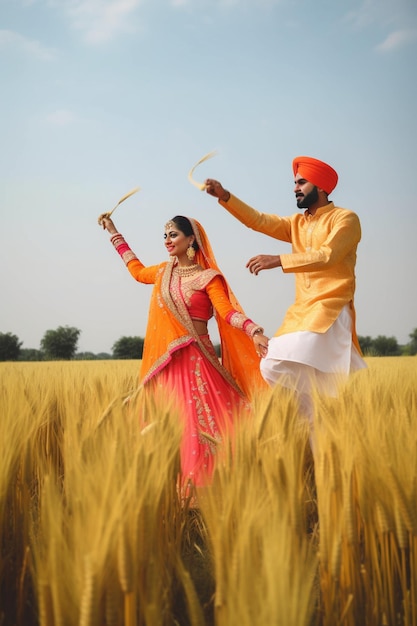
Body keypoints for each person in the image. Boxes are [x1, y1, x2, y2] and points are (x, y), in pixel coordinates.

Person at [98, 212, 268, 494]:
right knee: (175, 427)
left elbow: (226, 312)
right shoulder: (162, 273)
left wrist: (254, 331)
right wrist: (113, 231)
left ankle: (214, 488)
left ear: (191, 239)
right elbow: (137, 271)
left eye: (173, 234)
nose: (167, 240)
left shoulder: (207, 278)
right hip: (169, 365)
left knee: (206, 425)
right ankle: (176, 490)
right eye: (164, 235)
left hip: (199, 361)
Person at [204, 155, 367, 428]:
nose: (295, 188)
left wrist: (278, 260)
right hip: (301, 313)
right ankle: (319, 423)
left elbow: (327, 255)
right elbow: (258, 221)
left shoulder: (346, 219)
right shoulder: (296, 223)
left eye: (301, 183)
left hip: (329, 310)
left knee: (282, 366)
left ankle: (322, 417)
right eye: (295, 183)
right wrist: (225, 196)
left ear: (322, 187)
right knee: (272, 365)